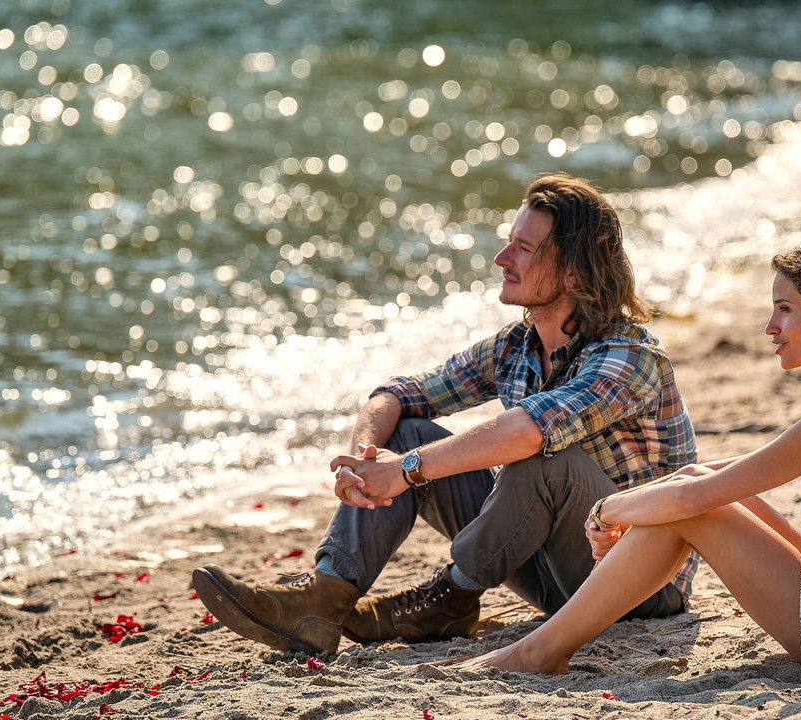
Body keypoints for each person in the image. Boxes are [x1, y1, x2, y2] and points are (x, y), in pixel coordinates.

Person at [191, 173, 698, 657]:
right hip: (550, 575)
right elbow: (399, 393)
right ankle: (324, 602)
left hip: (637, 587)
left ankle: (450, 597)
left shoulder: (630, 357)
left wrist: (406, 469)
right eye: (509, 242)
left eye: (524, 248)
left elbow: (527, 431)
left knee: (544, 457)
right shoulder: (517, 347)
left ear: (574, 270)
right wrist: (363, 460)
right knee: (408, 432)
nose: (502, 257)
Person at [460, 235, 801, 675]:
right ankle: (545, 646)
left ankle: (539, 652)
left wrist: (607, 511)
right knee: (700, 480)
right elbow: (710, 477)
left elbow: (703, 497)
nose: (770, 328)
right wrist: (649, 498)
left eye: (785, 309)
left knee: (698, 508)